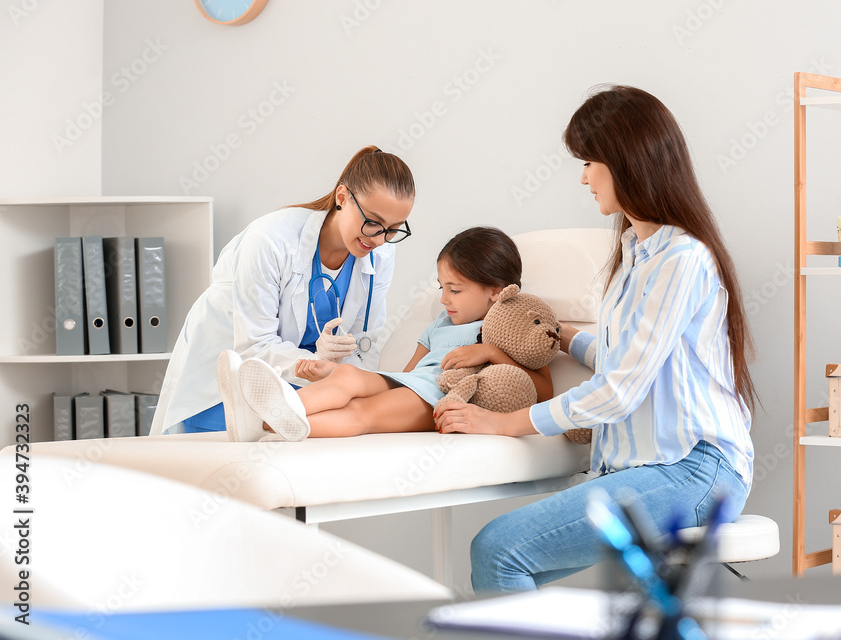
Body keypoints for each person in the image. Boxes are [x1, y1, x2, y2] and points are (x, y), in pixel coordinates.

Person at [434, 86, 757, 592]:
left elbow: (618, 391)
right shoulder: (636, 255)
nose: (583, 176)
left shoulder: (681, 259)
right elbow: (624, 359)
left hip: (692, 471)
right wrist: (557, 336)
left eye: (590, 160)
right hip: (655, 472)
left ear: (629, 159)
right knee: (504, 555)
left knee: (498, 552)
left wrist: (502, 423)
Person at [149, 146, 415, 436]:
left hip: (298, 386)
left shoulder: (381, 253)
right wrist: (319, 363)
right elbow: (253, 345)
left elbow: (363, 343)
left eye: (393, 229)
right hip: (225, 385)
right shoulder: (270, 240)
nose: (379, 239)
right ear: (342, 198)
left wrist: (339, 372)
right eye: (373, 222)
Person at [221, 227, 555, 441]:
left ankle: (264, 426)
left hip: (439, 399)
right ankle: (262, 413)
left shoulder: (503, 330)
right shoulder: (441, 323)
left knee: (363, 414)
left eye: (454, 290)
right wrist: (338, 372)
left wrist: (490, 353)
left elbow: (543, 390)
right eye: (442, 288)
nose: (444, 298)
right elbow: (408, 374)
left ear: (496, 291)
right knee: (349, 377)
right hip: (414, 385)